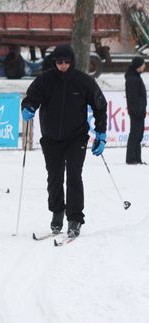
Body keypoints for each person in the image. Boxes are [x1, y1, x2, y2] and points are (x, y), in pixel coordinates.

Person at [21, 44, 108, 238]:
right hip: (51, 138)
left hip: (76, 137)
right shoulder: (44, 80)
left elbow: (100, 106)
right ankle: (57, 211)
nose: (63, 65)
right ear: (54, 62)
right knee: (54, 177)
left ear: (72, 62)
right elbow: (31, 98)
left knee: (74, 176)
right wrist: (27, 108)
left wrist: (101, 134)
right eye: (59, 62)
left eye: (66, 62)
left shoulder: (83, 81)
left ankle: (74, 218)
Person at [125, 56, 147, 164]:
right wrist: (138, 111)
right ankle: (131, 158)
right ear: (138, 66)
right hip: (136, 112)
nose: (144, 66)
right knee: (135, 134)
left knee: (138, 135)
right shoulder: (132, 79)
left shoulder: (136, 77)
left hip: (139, 111)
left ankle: (137, 158)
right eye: (143, 64)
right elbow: (133, 98)